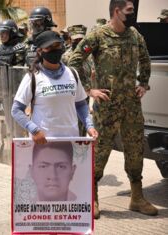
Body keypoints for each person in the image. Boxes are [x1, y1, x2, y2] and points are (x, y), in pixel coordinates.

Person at [69, 0, 158, 219]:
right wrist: (90, 91)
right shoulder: (98, 36)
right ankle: (93, 197)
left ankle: (137, 197)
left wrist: (143, 82)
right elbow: (75, 61)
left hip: (131, 106)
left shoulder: (135, 35)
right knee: (100, 151)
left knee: (135, 149)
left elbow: (146, 59)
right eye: (129, 11)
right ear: (116, 11)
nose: (133, 15)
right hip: (106, 107)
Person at [11, 30, 98, 143]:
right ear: (40, 51)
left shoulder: (72, 74)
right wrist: (34, 130)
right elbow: (16, 110)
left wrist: (89, 126)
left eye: (57, 46)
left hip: (70, 141)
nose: (54, 50)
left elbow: (81, 104)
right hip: (43, 142)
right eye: (49, 47)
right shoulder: (32, 77)